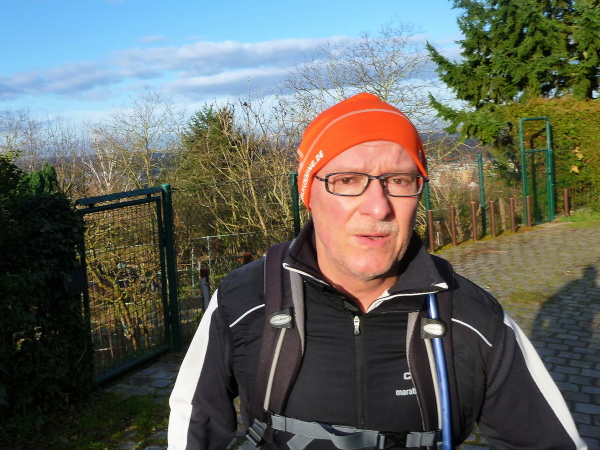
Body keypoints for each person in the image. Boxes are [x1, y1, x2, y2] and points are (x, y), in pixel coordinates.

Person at [168, 93, 587, 449]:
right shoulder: (245, 300)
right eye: (348, 180)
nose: (378, 206)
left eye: (399, 180)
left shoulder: (474, 318)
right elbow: (194, 424)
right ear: (308, 193)